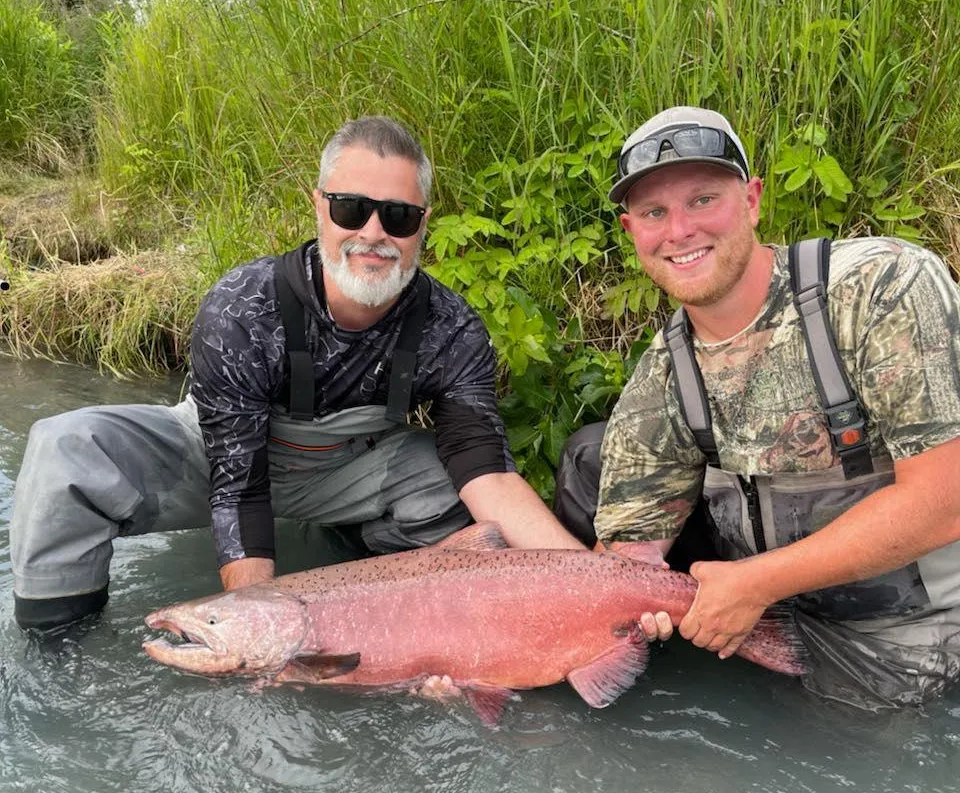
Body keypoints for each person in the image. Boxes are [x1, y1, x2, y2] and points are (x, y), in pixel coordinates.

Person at [12, 115, 621, 635]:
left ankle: (403, 623)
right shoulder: (241, 306)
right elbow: (239, 486)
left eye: (399, 217)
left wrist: (597, 581)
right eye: (352, 208)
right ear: (320, 206)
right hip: (218, 462)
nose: (374, 233)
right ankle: (61, 646)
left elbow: (486, 471)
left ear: (422, 226)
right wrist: (253, 627)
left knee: (456, 496)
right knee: (66, 450)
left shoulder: (452, 329)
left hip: (344, 475)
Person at [559, 105, 960, 710]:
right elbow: (623, 563)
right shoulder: (662, 376)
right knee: (590, 454)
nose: (679, 231)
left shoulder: (882, 287)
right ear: (631, 230)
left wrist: (755, 585)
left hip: (912, 634)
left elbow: (947, 501)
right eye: (654, 213)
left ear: (752, 200)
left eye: (702, 200)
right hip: (766, 616)